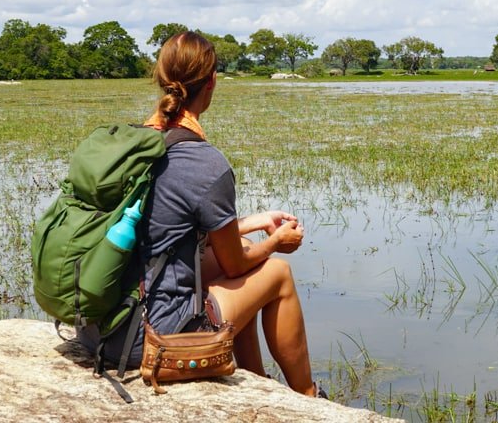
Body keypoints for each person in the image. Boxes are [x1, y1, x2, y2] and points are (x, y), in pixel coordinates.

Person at [82, 31, 320, 397]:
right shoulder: (205, 162)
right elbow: (236, 264)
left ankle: (256, 381)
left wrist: (255, 222)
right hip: (149, 334)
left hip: (99, 324)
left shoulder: (132, 143)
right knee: (277, 273)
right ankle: (308, 397)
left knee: (240, 246)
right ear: (211, 83)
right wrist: (275, 241)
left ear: (161, 79)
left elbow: (169, 231)